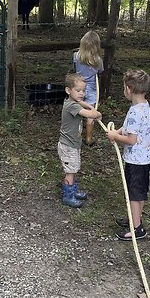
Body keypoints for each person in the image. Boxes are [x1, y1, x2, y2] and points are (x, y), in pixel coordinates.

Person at [105, 69, 150, 240]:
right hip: (144, 159)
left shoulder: (134, 111)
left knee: (134, 194)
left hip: (135, 161)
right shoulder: (143, 105)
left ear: (129, 89)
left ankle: (137, 229)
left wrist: (114, 137)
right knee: (139, 192)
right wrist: (118, 132)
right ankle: (135, 219)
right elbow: (131, 128)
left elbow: (131, 139)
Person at [57, 73, 101, 207]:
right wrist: (96, 113)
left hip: (73, 145)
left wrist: (87, 105)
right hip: (68, 146)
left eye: (83, 90)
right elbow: (90, 114)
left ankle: (72, 191)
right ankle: (68, 195)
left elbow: (82, 103)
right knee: (70, 171)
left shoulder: (73, 101)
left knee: (73, 168)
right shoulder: (72, 106)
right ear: (68, 90)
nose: (82, 93)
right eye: (78, 90)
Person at [72, 30, 104, 145]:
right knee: (91, 113)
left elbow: (74, 67)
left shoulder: (76, 56)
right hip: (91, 89)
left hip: (77, 87)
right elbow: (100, 70)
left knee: (77, 110)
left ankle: (76, 137)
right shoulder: (98, 60)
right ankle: (89, 138)